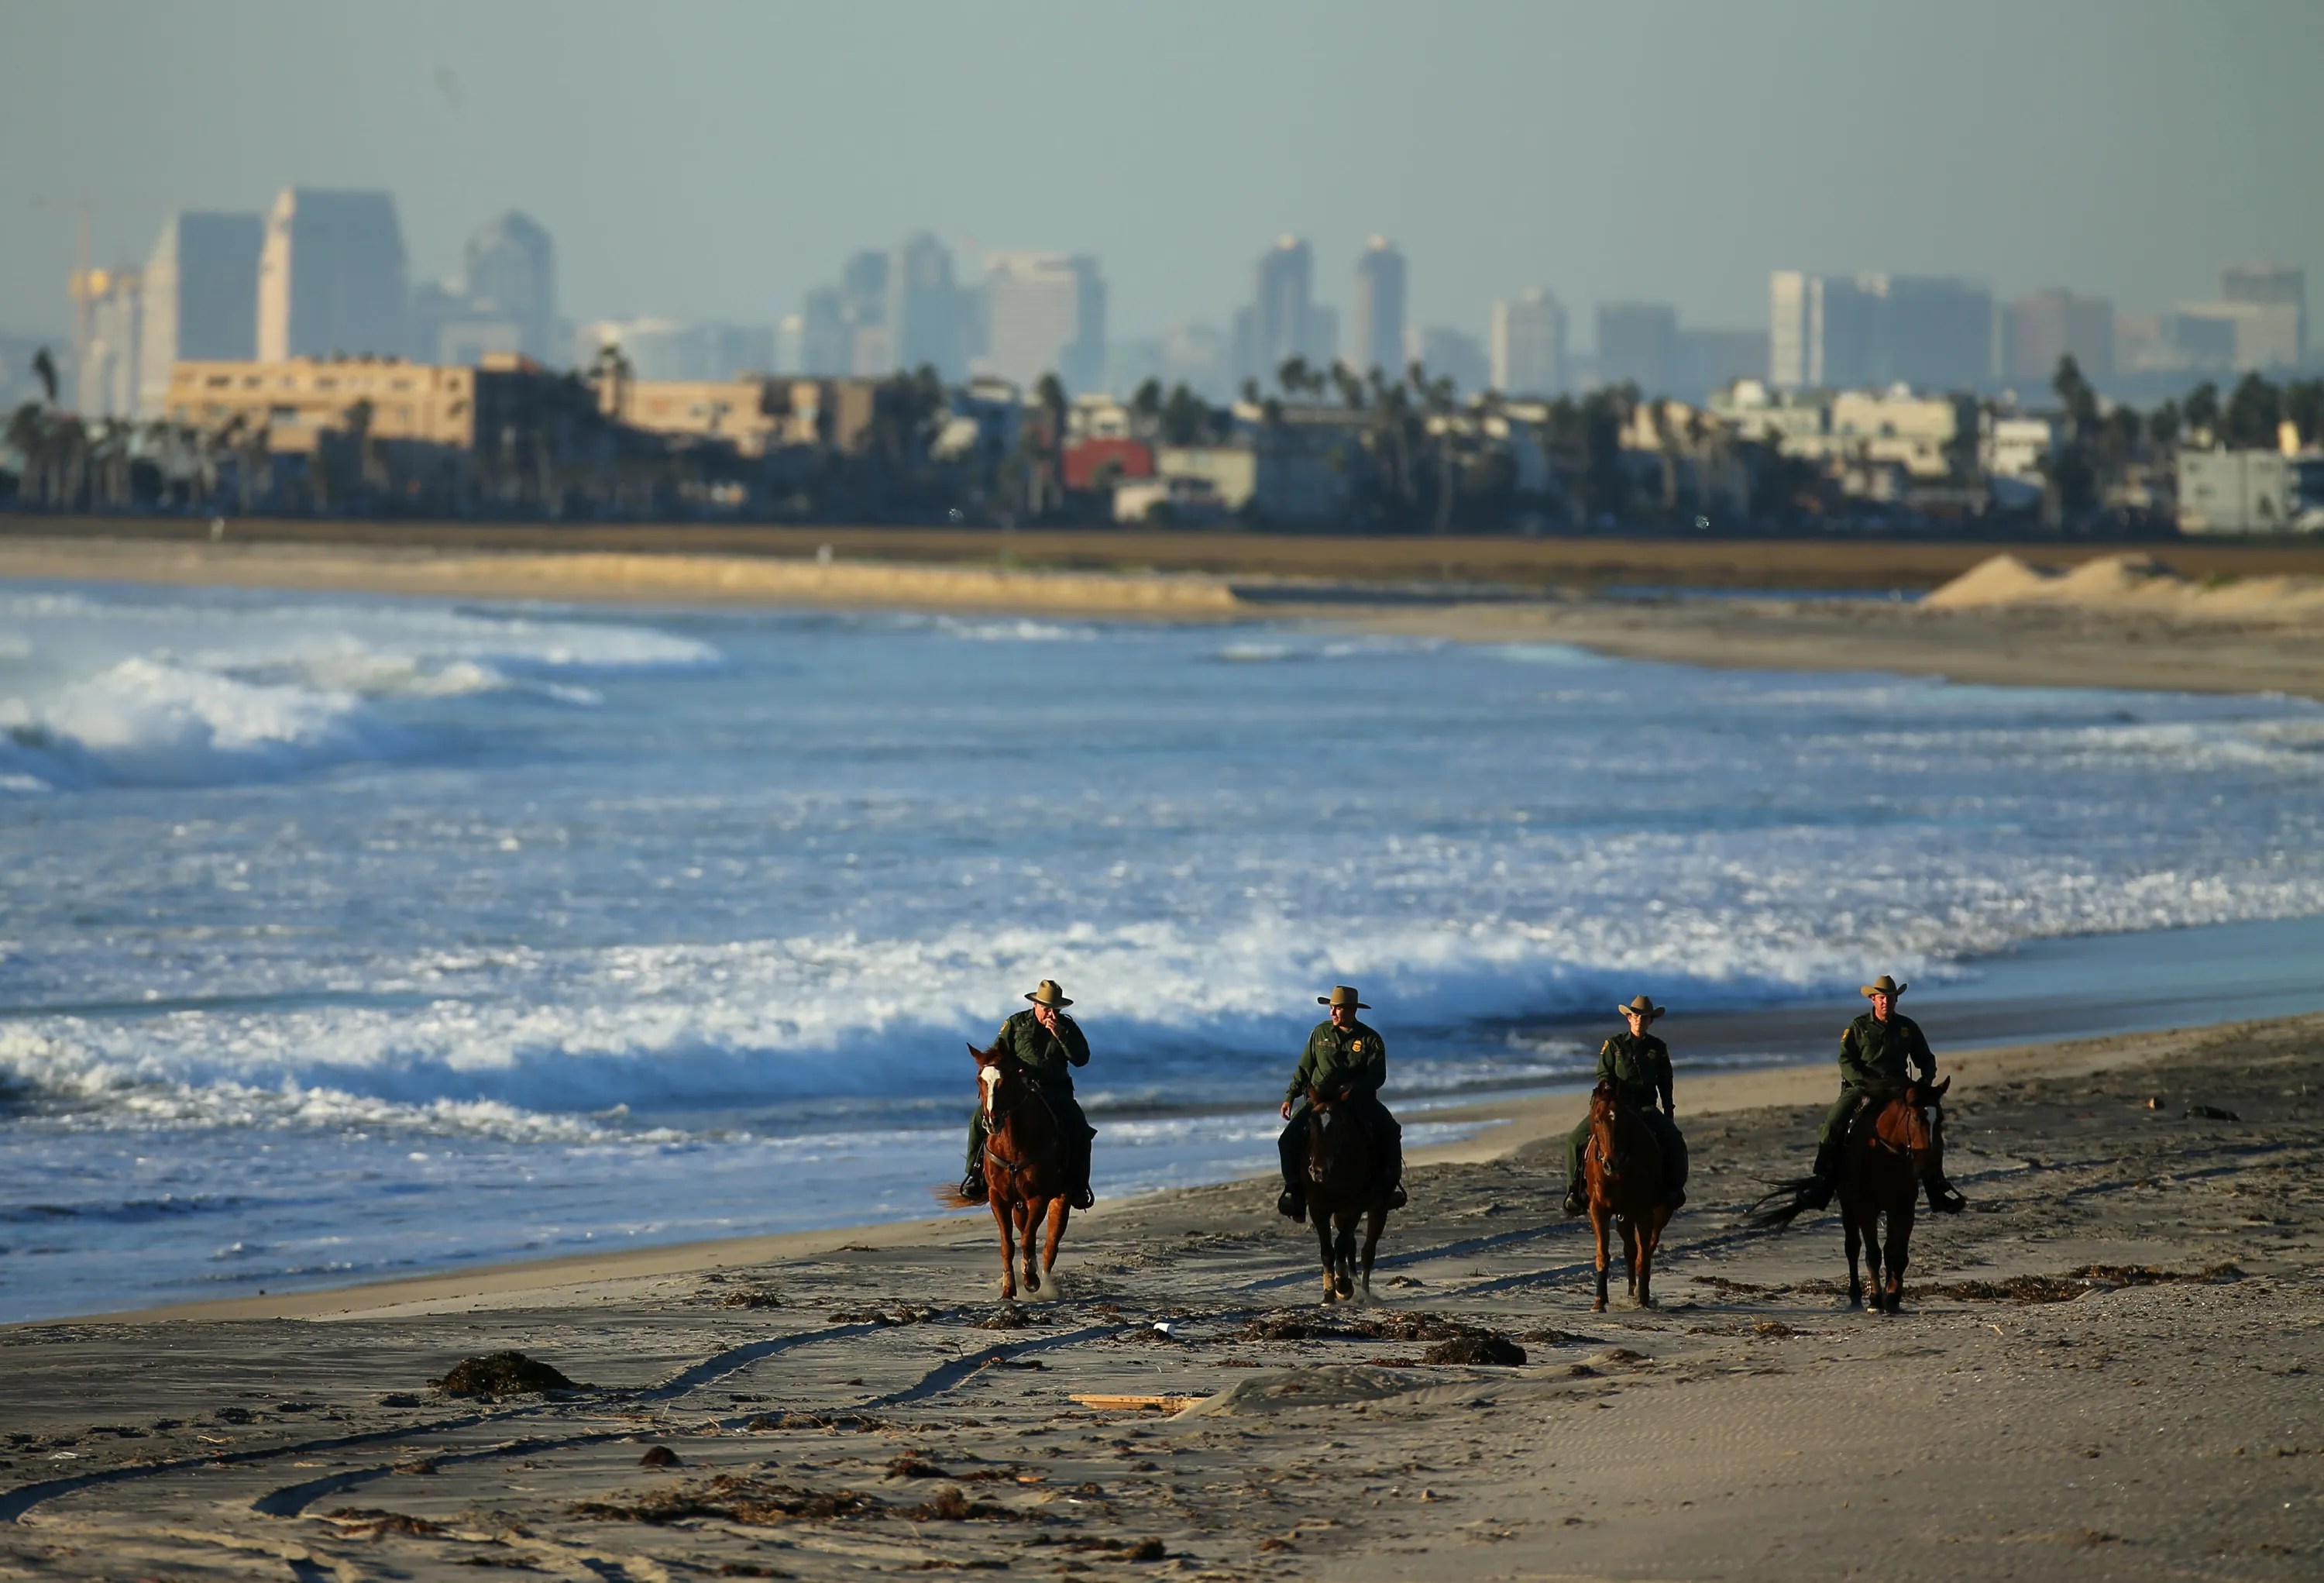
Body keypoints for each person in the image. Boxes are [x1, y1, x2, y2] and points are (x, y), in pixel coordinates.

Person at [1804, 974, 1964, 1212]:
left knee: (1928, 1125)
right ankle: (1822, 1181)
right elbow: (1845, 1060)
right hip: (1864, 1086)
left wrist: (1925, 1082)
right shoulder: (1858, 1027)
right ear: (1873, 999)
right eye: (1881, 998)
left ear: (1896, 1000)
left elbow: (1926, 1059)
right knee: (1833, 1122)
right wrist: (1863, 1082)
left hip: (1900, 1086)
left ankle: (1935, 1185)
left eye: (1890, 998)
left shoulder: (1907, 1027)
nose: (1885, 1002)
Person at [958, 979, 1095, 1210]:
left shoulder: (1067, 1027)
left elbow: (1082, 1059)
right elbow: (997, 1054)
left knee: (1079, 1127)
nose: (1051, 1014)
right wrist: (1009, 1071)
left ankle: (1079, 1185)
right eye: (1046, 1009)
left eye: (1055, 1010)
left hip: (1055, 1091)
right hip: (1019, 1091)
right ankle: (975, 1175)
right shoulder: (1016, 1023)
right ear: (1035, 1005)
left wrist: (1060, 1035)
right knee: (978, 1119)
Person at [1277, 985, 1405, 1221]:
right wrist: (1290, 1096)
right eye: (1331, 1008)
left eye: (1337, 1008)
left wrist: (1355, 1087)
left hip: (1358, 1100)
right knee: (1287, 1140)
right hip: (1320, 1100)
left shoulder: (1370, 1039)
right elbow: (1305, 1068)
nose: (1332, 1013)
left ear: (1352, 1010)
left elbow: (1378, 1077)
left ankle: (1389, 1189)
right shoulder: (1319, 1033)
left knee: (1390, 1131)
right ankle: (1295, 1193)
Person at [1562, 994, 1688, 1215]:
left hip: (1645, 1108)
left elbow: (1665, 1081)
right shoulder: (1614, 1045)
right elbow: (1603, 1074)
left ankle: (1673, 1188)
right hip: (1616, 1108)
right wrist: (1608, 1096)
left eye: (1644, 1017)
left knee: (1674, 1139)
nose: (1639, 1020)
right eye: (1635, 1016)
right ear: (1629, 1018)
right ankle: (1576, 1191)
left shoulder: (1658, 1047)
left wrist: (1668, 1111)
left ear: (1650, 1021)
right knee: (1575, 1139)